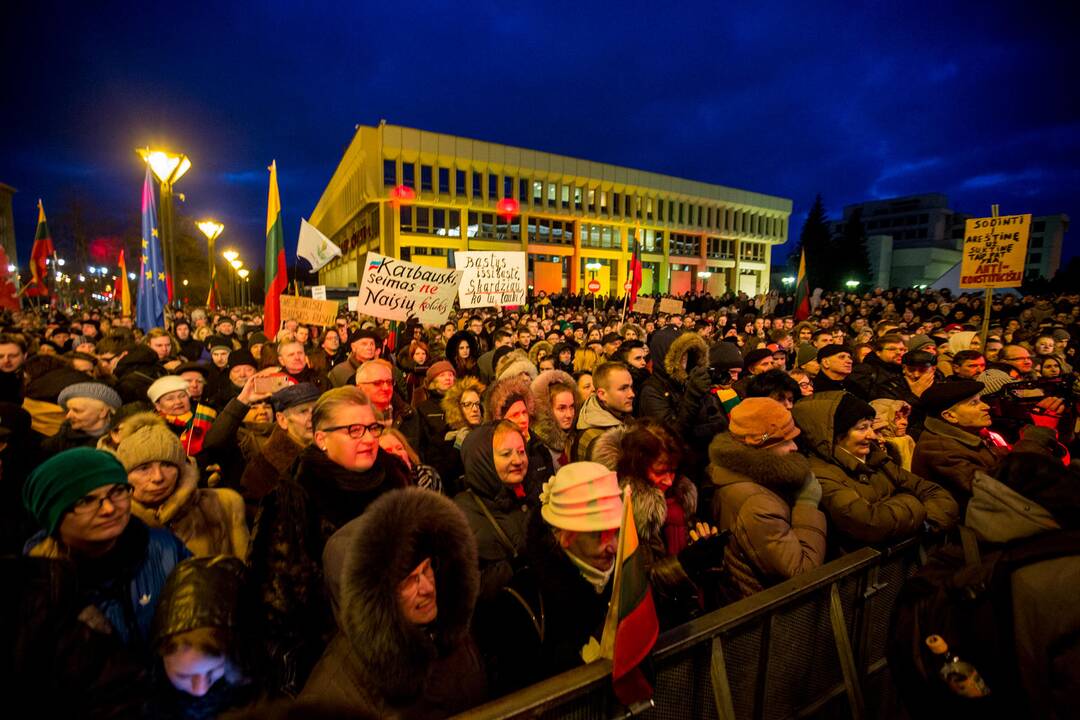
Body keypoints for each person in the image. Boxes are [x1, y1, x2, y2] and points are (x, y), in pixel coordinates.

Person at [246, 386, 410, 695]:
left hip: (407, 632)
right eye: (354, 430)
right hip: (334, 653)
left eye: (372, 428)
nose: (368, 438)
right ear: (321, 439)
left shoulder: (396, 476)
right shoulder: (293, 496)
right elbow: (276, 601)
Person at [302, 489, 485, 716]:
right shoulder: (330, 697)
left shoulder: (445, 629)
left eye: (427, 568)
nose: (428, 588)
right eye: (408, 582)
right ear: (371, 602)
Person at [473, 462, 623, 696]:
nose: (613, 546)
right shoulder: (520, 603)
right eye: (598, 534)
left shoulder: (626, 574)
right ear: (563, 536)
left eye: (616, 531)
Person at [22, 448, 191, 652]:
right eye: (86, 501)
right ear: (53, 516)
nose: (109, 509)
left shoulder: (165, 549)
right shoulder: (37, 589)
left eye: (117, 491)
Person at [791, 391, 958, 552]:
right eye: (862, 428)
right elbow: (870, 523)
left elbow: (936, 493)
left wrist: (924, 524)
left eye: (871, 426)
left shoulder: (876, 458)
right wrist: (913, 503)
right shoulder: (820, 473)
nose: (872, 436)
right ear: (835, 435)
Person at [708, 398, 826, 599]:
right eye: (785, 441)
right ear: (761, 447)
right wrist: (807, 504)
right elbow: (802, 573)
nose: (794, 447)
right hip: (769, 612)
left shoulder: (738, 473)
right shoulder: (757, 504)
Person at [114, 413, 249, 558]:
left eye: (167, 465)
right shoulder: (112, 522)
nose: (158, 477)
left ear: (180, 470)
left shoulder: (223, 505)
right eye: (144, 468)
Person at [148, 556, 256, 718]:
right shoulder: (146, 698)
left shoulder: (250, 693)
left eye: (213, 672)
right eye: (183, 676)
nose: (200, 690)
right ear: (160, 654)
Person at [454, 421, 532, 598]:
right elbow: (463, 590)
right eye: (506, 454)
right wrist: (513, 566)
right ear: (483, 460)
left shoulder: (524, 499)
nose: (518, 460)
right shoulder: (460, 515)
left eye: (521, 452)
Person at [910, 380, 1008, 509]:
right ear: (950, 416)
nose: (986, 406)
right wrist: (1031, 443)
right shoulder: (940, 449)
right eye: (974, 403)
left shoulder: (970, 434)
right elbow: (993, 489)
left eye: (981, 400)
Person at [239, 382, 320, 523]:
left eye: (316, 410)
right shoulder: (264, 467)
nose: (312, 417)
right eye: (303, 411)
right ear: (282, 420)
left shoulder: (330, 450)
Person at [572, 361, 635, 462]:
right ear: (602, 394)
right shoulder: (597, 439)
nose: (631, 394)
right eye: (623, 388)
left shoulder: (624, 418)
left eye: (631, 387)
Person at [45, 381, 123, 453]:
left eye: (77, 411)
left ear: (103, 412)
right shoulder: (66, 430)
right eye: (68, 410)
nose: (68, 416)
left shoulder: (114, 444)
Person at [530, 369, 582, 471]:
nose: (569, 414)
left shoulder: (574, 437)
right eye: (561, 408)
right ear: (547, 410)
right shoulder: (538, 447)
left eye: (571, 407)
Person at [378, 428, 442, 493]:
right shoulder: (377, 483)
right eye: (388, 451)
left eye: (399, 448)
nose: (397, 453)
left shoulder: (425, 474)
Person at [848, 334, 905, 400]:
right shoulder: (864, 370)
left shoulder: (905, 370)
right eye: (892, 349)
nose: (899, 352)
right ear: (878, 352)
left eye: (902, 349)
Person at [869, 398, 916, 470]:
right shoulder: (877, 447)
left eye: (905, 417)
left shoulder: (907, 440)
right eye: (897, 418)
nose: (905, 422)